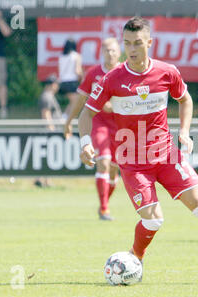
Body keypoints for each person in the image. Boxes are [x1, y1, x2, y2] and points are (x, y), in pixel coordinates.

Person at [78, 16, 198, 283]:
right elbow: (85, 115)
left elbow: (185, 99)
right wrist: (84, 143)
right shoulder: (112, 79)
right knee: (153, 220)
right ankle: (135, 257)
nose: (132, 49)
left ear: (149, 42)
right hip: (133, 160)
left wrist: (184, 132)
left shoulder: (167, 72)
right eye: (127, 43)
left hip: (167, 154)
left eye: (138, 43)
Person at [64, 38, 121, 221]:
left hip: (121, 126)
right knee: (103, 162)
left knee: (114, 170)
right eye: (106, 50)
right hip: (99, 123)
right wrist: (68, 121)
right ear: (101, 53)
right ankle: (104, 209)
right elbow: (80, 100)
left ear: (119, 52)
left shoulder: (126, 72)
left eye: (113, 50)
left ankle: (104, 203)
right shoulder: (94, 74)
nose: (110, 53)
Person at [58, 39, 83, 119]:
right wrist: (83, 78)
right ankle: (66, 118)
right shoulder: (76, 56)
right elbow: (77, 71)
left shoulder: (61, 57)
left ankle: (66, 117)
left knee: (73, 101)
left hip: (63, 82)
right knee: (76, 101)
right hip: (72, 82)